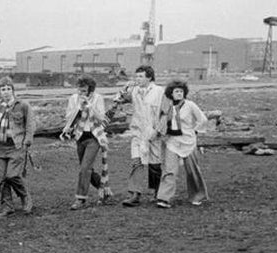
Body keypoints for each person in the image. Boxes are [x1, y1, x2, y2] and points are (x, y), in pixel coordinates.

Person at [110, 65, 167, 207]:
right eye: (136, 76)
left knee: (155, 164)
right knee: (137, 162)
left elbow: (166, 112)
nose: (137, 79)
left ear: (149, 77)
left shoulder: (160, 91)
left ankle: (156, 191)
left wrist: (158, 130)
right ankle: (134, 194)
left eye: (141, 76)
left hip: (154, 132)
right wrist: (124, 87)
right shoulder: (134, 91)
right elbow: (118, 99)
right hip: (137, 132)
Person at [0, 76, 36, 219]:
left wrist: (27, 141)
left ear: (13, 90)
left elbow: (30, 125)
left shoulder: (23, 106)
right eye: (3, 90)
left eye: (8, 89)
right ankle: (7, 207)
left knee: (12, 175)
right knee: (1, 179)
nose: (6, 92)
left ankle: (26, 198)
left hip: (16, 146)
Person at [60, 75, 113, 210]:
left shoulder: (98, 98)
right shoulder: (73, 99)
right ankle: (104, 190)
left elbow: (102, 118)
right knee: (87, 169)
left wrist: (90, 107)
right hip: (80, 136)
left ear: (91, 90)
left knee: (84, 169)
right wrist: (78, 108)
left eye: (84, 91)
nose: (81, 93)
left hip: (94, 137)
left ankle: (80, 198)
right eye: (79, 90)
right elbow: (68, 118)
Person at [155, 80, 209, 208]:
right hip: (172, 142)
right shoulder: (167, 107)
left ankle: (197, 196)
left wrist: (195, 130)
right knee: (169, 170)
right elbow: (161, 121)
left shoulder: (190, 105)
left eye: (181, 91)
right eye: (176, 91)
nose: (179, 94)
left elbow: (202, 119)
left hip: (188, 142)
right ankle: (164, 198)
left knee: (192, 171)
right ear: (171, 93)